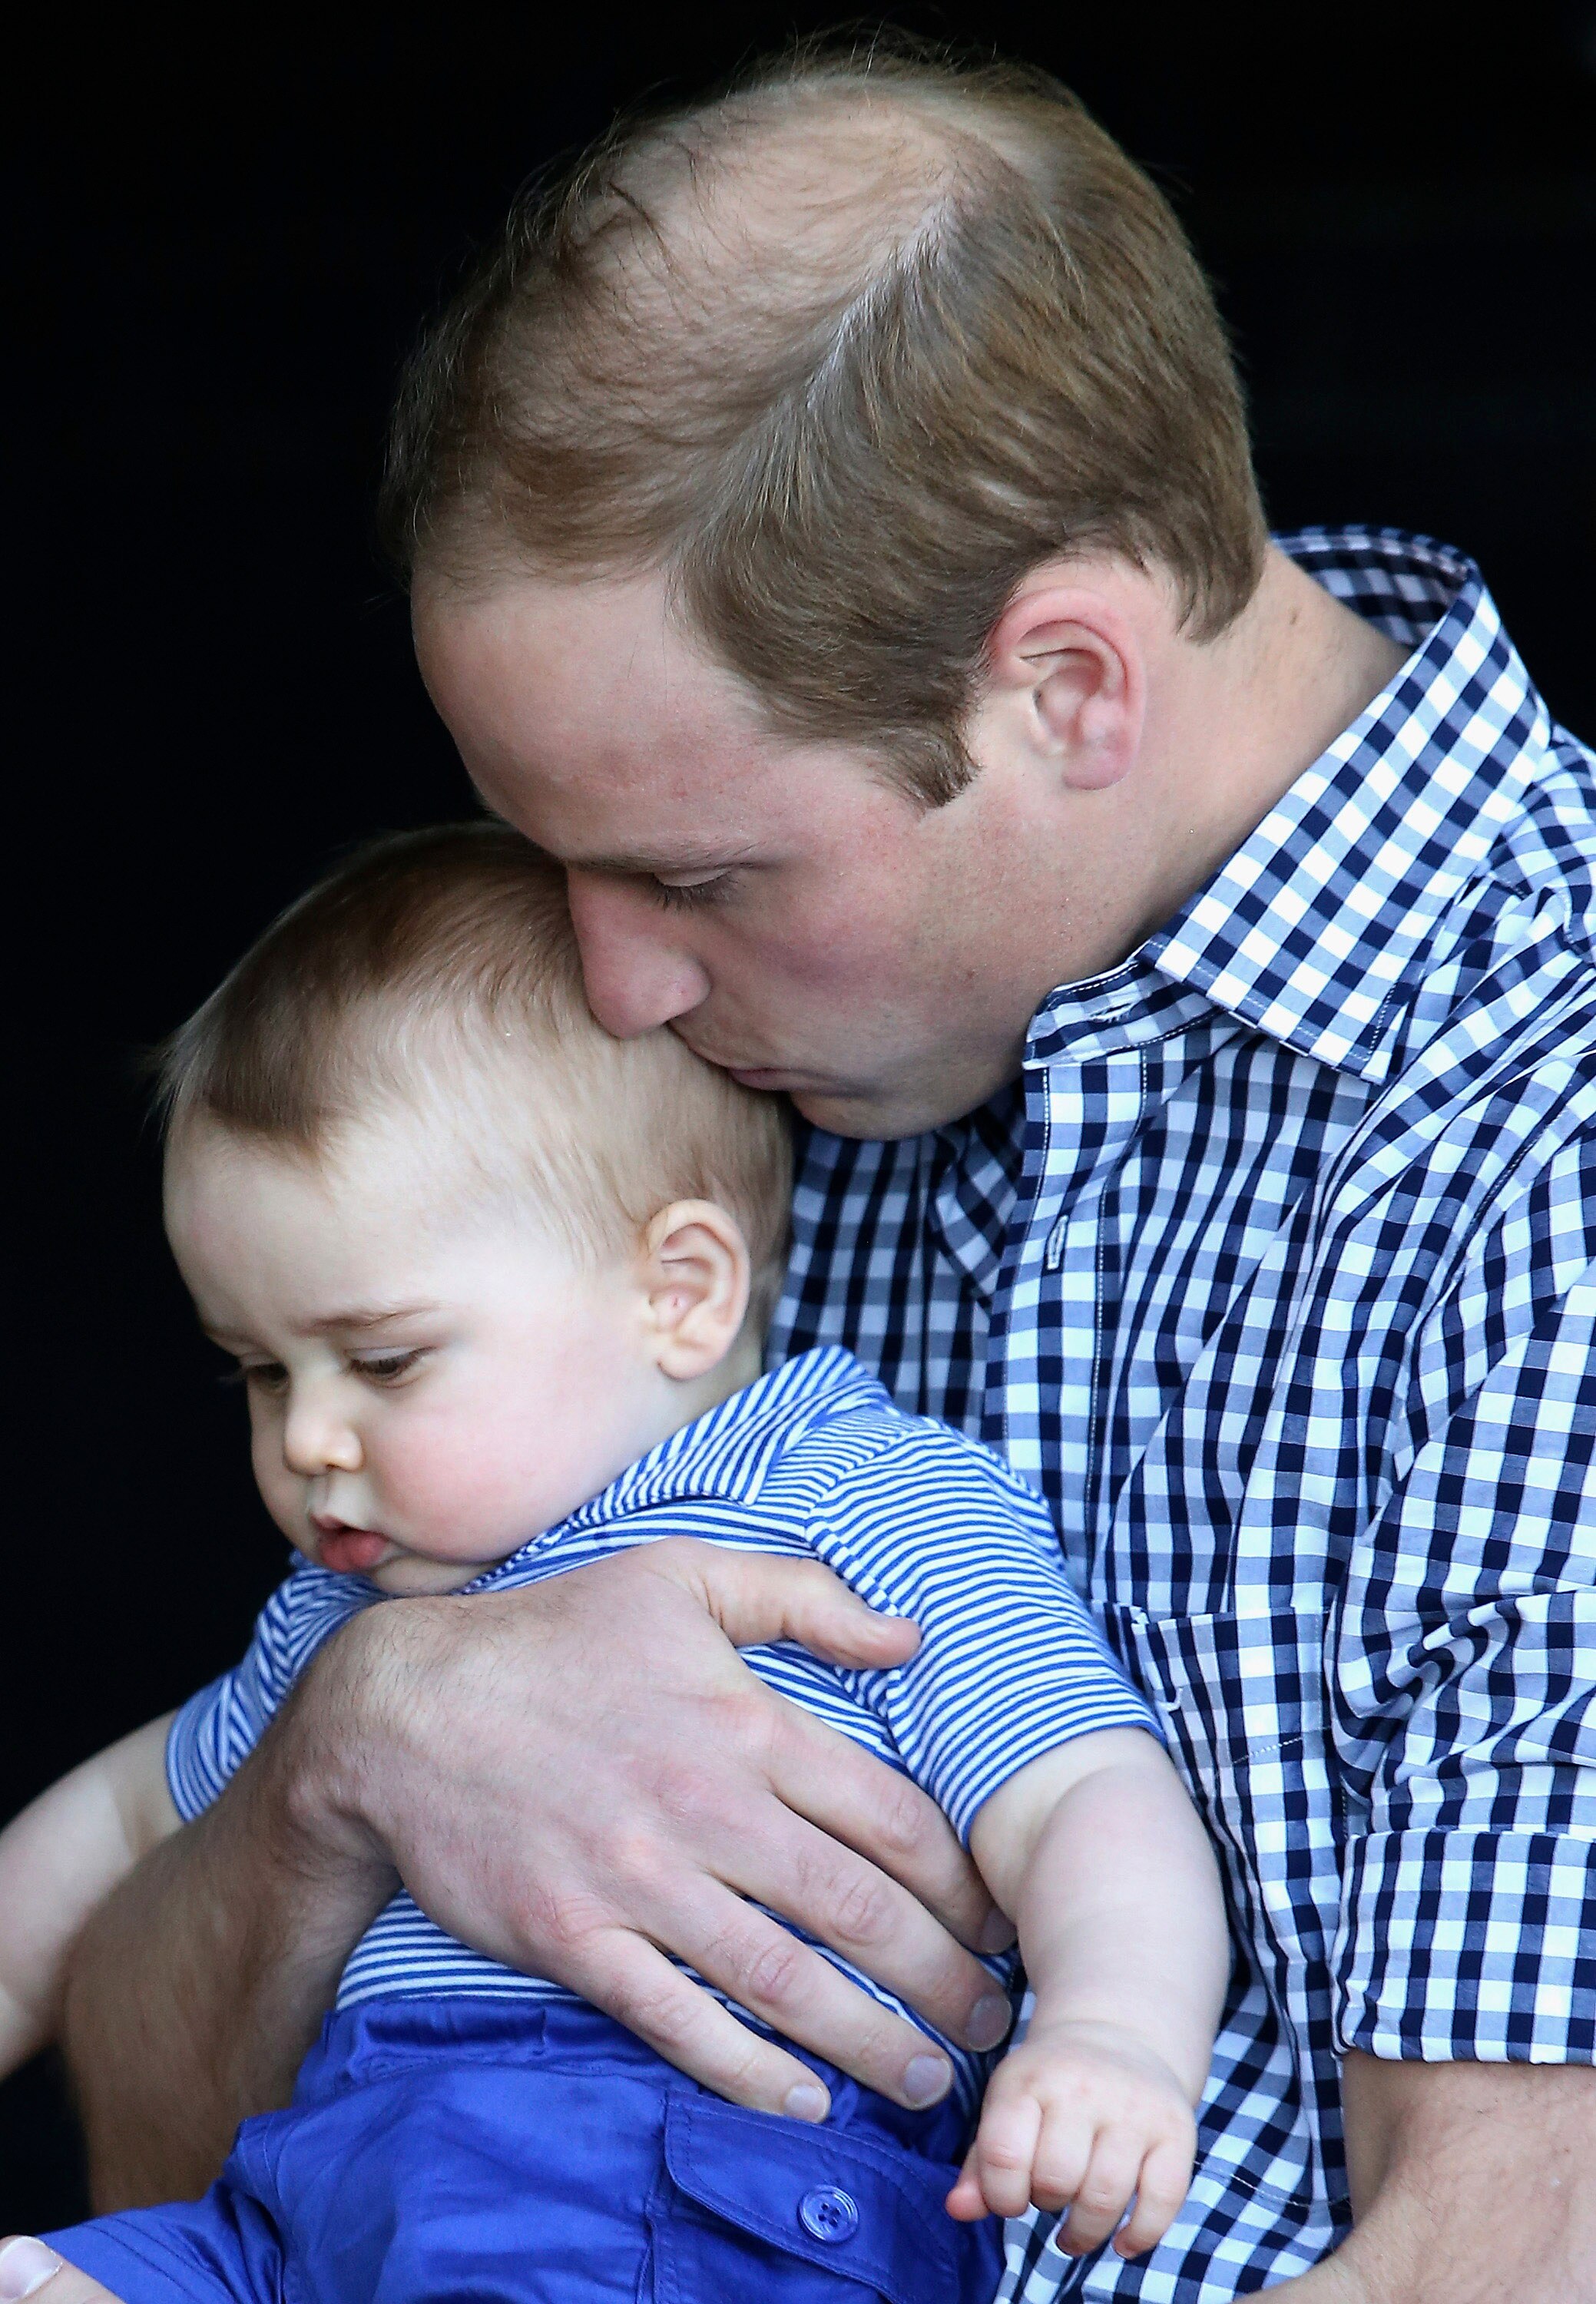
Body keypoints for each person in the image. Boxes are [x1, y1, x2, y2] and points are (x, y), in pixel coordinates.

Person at [8, 38, 1591, 2304]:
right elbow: (165, 2159)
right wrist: (360, 1745)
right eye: (555, 864)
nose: (612, 986)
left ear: (1064, 689)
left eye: (695, 876)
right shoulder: (717, 1081)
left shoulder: (1539, 1154)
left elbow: (1504, 2258)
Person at [0, 827, 1227, 2302]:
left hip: (679, 2178)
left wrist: (1113, 2035)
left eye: (384, 1361)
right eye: (262, 1373)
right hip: (331, 2192)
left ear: (679, 1294)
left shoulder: (840, 1495)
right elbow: (119, 1816)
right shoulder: (356, 1615)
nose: (310, 1439)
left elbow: (1083, 1788)